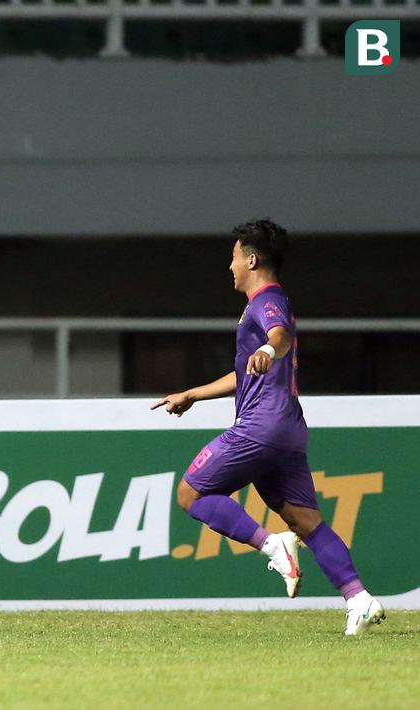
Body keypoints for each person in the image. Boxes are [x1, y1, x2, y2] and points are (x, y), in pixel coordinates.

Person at [151, 219, 384, 636]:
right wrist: (192, 394)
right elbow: (249, 370)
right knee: (307, 522)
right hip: (287, 428)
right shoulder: (265, 304)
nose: (230, 266)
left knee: (190, 494)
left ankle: (271, 544)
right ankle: (359, 599)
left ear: (252, 259)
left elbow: (280, 337)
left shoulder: (267, 300)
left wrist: (267, 348)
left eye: (234, 257)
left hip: (262, 425)